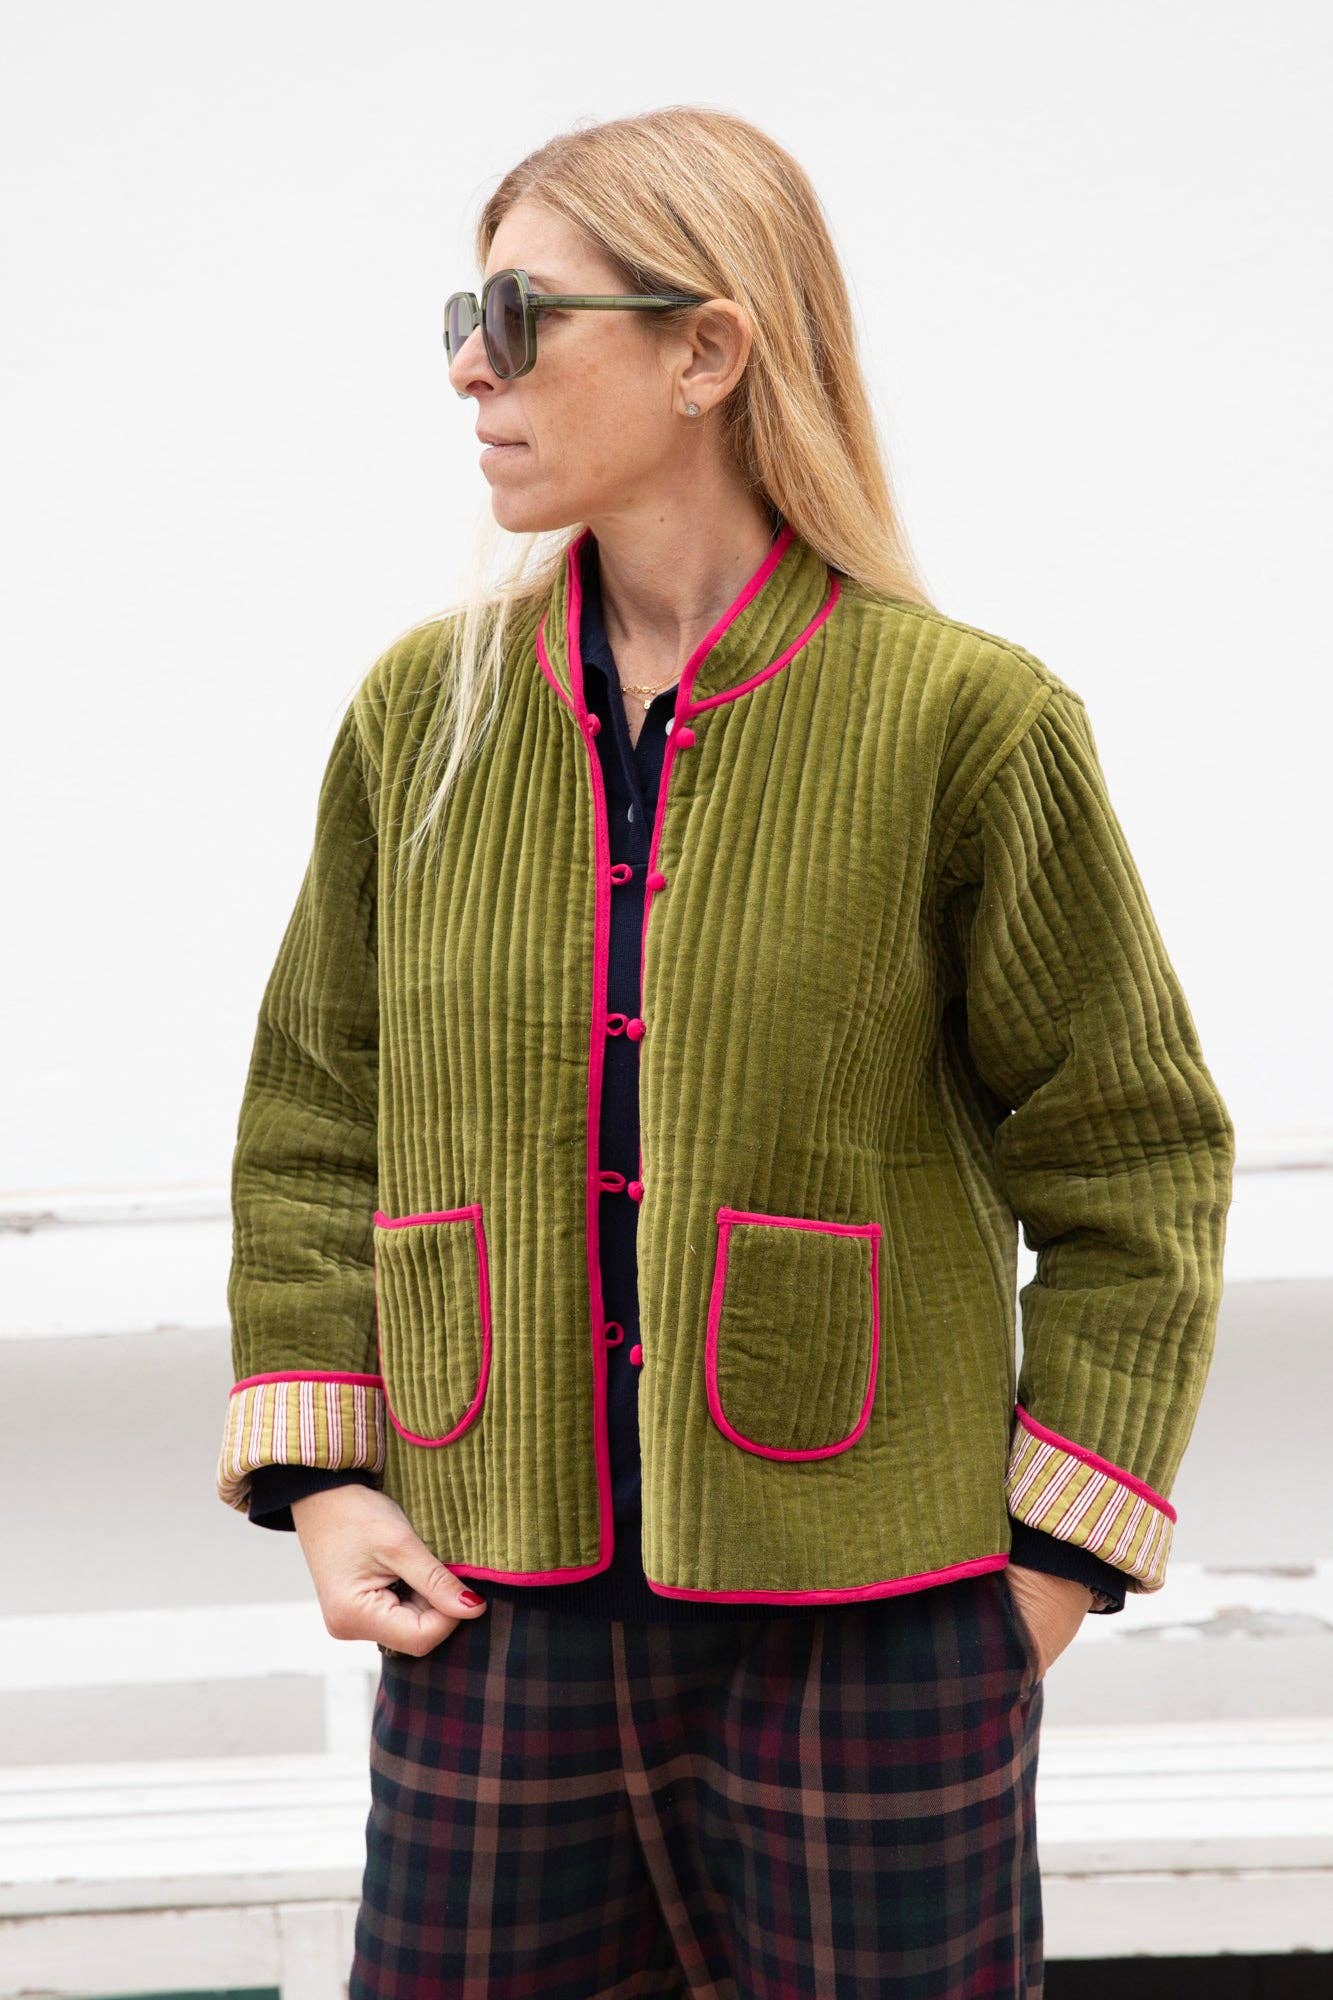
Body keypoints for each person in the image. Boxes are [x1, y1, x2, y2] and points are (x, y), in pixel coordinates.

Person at [215, 105, 1235, 1999]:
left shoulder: (963, 723)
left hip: (874, 1629)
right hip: (490, 1620)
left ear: (706, 351)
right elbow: (315, 1118)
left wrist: (1041, 1577)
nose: (468, 368)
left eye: (519, 318)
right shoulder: (421, 717)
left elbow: (1130, 1155)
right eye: (463, 316)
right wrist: (326, 1482)